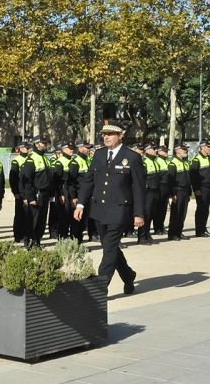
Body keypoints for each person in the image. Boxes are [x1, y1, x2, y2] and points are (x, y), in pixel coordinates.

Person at [75, 123, 145, 295]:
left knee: (109, 249)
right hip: (100, 210)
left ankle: (99, 289)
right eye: (104, 134)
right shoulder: (98, 155)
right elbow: (89, 181)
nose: (106, 137)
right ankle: (128, 276)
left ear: (121, 135)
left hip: (120, 210)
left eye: (111, 134)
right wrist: (80, 204)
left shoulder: (132, 157)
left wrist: (139, 213)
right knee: (110, 247)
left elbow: (138, 188)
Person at [20, 135, 53, 248]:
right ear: (37, 144)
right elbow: (26, 181)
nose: (45, 145)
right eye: (43, 143)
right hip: (36, 194)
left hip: (44, 194)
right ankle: (29, 243)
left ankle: (37, 241)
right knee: (33, 221)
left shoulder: (45, 158)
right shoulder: (31, 159)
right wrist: (31, 198)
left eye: (46, 143)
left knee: (41, 221)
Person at [190, 140, 210, 237]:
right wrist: (196, 189)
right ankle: (199, 231)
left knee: (206, 209)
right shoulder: (197, 159)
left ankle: (203, 228)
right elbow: (193, 175)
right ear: (203, 147)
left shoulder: (209, 158)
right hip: (201, 188)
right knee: (201, 209)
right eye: (209, 147)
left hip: (208, 187)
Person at [168, 143, 192, 241]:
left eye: (186, 149)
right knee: (176, 213)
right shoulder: (173, 163)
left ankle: (179, 232)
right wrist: (172, 194)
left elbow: (188, 179)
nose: (185, 151)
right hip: (177, 191)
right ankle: (172, 234)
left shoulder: (185, 162)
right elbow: (170, 180)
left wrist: (189, 192)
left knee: (183, 213)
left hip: (185, 191)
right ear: (177, 151)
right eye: (183, 149)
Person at [139, 143, 160, 245]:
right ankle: (142, 236)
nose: (155, 151)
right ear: (146, 151)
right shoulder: (144, 162)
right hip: (147, 193)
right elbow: (141, 179)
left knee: (151, 214)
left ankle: (147, 234)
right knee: (145, 215)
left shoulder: (155, 162)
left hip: (155, 191)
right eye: (153, 149)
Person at [9, 142, 29, 243]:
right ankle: (18, 236)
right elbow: (13, 178)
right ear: (20, 149)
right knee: (19, 214)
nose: (27, 149)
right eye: (25, 147)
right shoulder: (16, 161)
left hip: (28, 191)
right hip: (20, 192)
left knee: (28, 215)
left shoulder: (30, 159)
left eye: (28, 147)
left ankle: (26, 234)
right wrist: (15, 192)